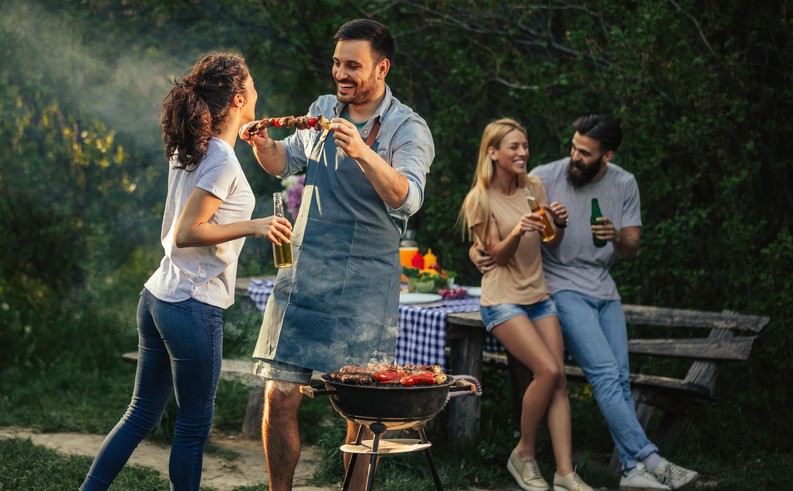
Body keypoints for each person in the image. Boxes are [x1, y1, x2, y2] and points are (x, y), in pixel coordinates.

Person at [80, 50, 293, 491]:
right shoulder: (220, 159)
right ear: (237, 99)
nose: (256, 89)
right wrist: (255, 226)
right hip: (192, 304)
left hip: (158, 296)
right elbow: (187, 232)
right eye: (249, 84)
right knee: (194, 426)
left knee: (141, 414)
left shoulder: (198, 147)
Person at [239, 18, 434, 491]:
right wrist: (265, 147)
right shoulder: (323, 110)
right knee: (279, 396)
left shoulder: (409, 128)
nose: (340, 74)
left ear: (382, 67)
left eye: (353, 65)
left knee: (361, 411)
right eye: (336, 63)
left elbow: (408, 197)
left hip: (367, 285)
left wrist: (365, 153)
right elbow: (285, 162)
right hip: (304, 274)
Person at [471, 115, 700, 490]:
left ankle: (630, 470)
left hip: (604, 289)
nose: (575, 157)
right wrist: (476, 251)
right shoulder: (546, 176)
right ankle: (652, 460)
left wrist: (614, 236)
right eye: (574, 147)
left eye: (585, 153)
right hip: (560, 288)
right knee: (605, 376)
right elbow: (495, 219)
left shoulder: (624, 183)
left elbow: (631, 248)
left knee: (619, 379)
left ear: (606, 155)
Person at [459, 118, 592, 491]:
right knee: (548, 371)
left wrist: (558, 223)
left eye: (525, 146)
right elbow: (497, 257)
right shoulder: (479, 200)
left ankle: (565, 473)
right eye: (514, 147)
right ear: (493, 153)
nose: (522, 153)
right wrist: (519, 228)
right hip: (502, 300)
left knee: (559, 380)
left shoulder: (534, 186)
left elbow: (550, 243)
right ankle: (524, 454)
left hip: (538, 295)